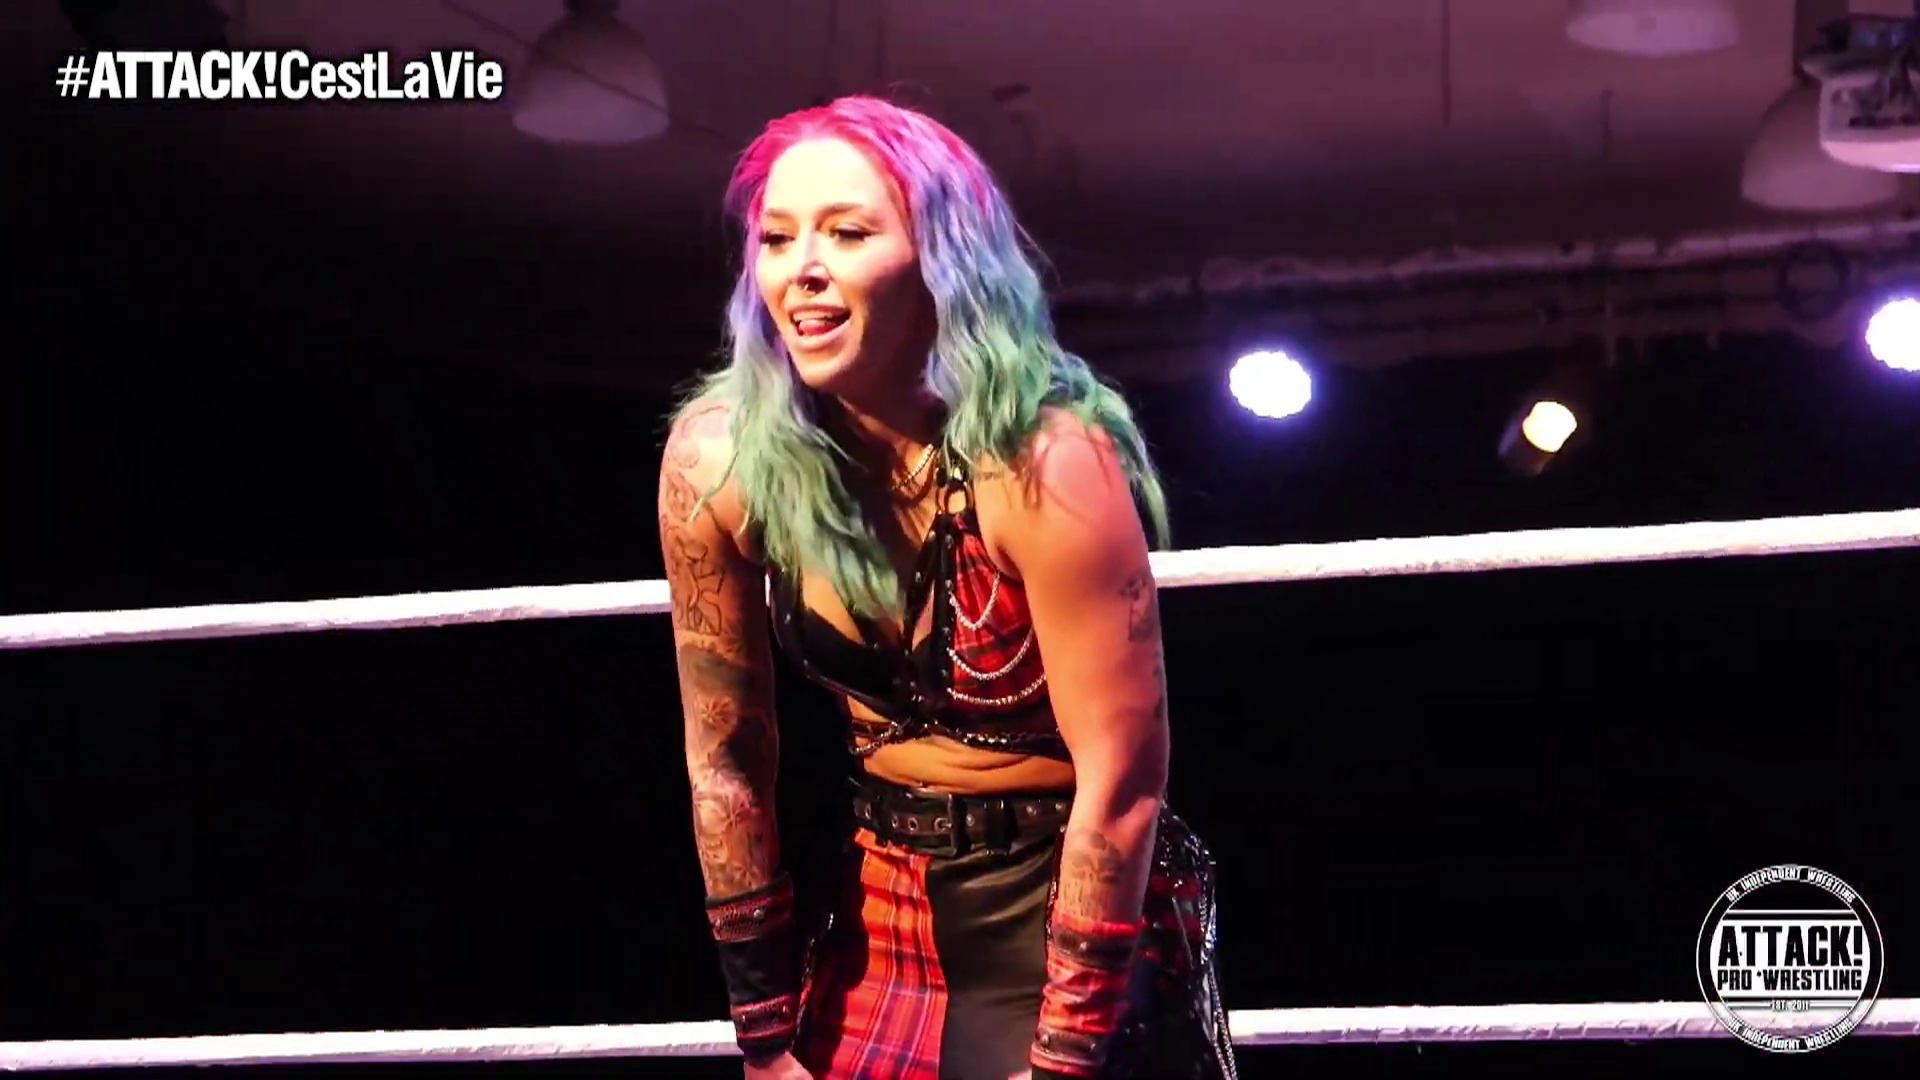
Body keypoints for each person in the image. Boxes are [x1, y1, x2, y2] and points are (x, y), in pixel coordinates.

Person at [657, 95, 1237, 1080]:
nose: (803, 269)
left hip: (1062, 900)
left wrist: (1064, 1055)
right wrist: (762, 1035)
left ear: (943, 260)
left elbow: (1125, 780)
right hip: (884, 894)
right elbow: (726, 761)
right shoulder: (719, 460)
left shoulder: (1045, 462)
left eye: (848, 233)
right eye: (778, 237)